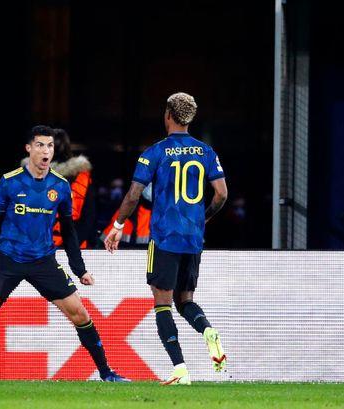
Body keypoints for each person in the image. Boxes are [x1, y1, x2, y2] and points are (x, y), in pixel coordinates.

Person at [0, 125, 129, 382]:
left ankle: (107, 373)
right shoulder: (9, 182)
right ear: (29, 148)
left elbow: (69, 232)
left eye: (50, 146)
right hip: (8, 257)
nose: (46, 151)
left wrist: (80, 270)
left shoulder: (61, 186)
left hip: (43, 260)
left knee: (79, 313)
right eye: (40, 145)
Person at [104, 92, 228, 385]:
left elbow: (133, 195)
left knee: (163, 304)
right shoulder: (206, 152)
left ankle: (180, 369)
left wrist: (118, 225)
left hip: (164, 237)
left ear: (168, 115)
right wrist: (203, 219)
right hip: (193, 238)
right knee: (186, 301)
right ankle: (208, 331)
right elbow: (221, 194)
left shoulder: (155, 152)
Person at [22, 128, 96, 248]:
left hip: (36, 247)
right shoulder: (83, 178)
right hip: (75, 246)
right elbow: (89, 218)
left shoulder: (28, 176)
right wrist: (72, 245)